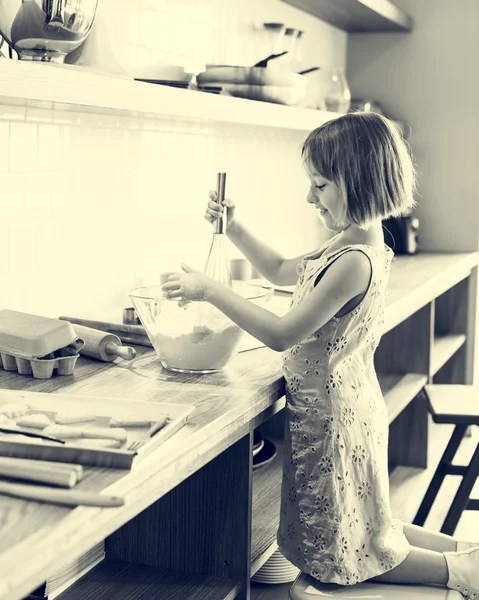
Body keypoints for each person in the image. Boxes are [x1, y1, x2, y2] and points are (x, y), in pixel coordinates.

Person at [162, 111, 478, 598]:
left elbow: (283, 334)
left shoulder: (354, 261)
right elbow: (281, 270)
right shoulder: (350, 241)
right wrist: (234, 226)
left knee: (352, 550)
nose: (310, 197)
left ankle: (458, 574)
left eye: (320, 184)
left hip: (336, 420)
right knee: (362, 528)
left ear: (357, 182)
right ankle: (462, 558)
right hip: (340, 409)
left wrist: (209, 290)